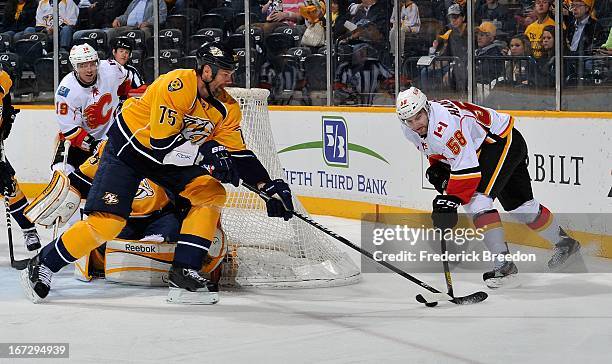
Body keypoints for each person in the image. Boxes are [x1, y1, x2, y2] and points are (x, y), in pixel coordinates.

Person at [20, 42, 295, 305]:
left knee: (210, 193)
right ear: (207, 71)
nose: (229, 80)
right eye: (225, 73)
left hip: (169, 160)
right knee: (108, 223)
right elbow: (161, 144)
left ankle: (184, 272)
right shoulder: (176, 84)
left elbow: (239, 154)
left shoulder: (227, 108)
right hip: (128, 151)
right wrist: (209, 151)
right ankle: (43, 263)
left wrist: (267, 185)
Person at [395, 87, 581, 288]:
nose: (416, 124)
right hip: (489, 145)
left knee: (477, 200)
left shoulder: (444, 124)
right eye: (410, 120)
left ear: (427, 108)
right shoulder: (410, 129)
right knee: (521, 207)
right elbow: (438, 150)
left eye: (419, 117)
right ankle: (566, 243)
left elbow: (467, 169)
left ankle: (505, 266)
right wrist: (437, 169)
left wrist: (452, 200)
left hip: (499, 143)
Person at [52, 43, 131, 174]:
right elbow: (71, 131)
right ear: (75, 67)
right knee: (60, 175)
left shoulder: (110, 69)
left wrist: (123, 101)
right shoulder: (66, 91)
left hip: (109, 140)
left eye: (92, 64)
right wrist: (94, 145)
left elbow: (127, 81)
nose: (89, 70)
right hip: (75, 145)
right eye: (83, 65)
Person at [0, 65, 41, 251]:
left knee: (10, 186)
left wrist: (6, 120)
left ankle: (29, 230)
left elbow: (5, 103)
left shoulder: (2, 78)